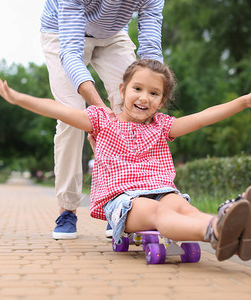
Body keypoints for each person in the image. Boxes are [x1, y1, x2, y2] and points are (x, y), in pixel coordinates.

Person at [0, 59, 251, 261]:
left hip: (162, 190)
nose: (144, 98)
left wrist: (245, 101)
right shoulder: (102, 121)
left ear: (162, 101)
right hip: (125, 201)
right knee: (156, 214)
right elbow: (59, 110)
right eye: (138, 89)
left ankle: (230, 229)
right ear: (122, 90)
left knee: (181, 206)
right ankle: (217, 229)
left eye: (154, 93)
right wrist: (19, 99)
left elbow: (203, 118)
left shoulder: (162, 126)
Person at [40, 0, 165, 239]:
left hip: (112, 34)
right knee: (71, 118)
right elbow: (70, 54)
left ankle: (124, 205)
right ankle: (67, 209)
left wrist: (155, 96)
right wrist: (100, 110)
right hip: (61, 33)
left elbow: (151, 51)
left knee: (133, 109)